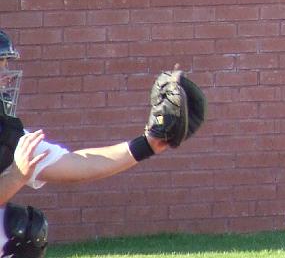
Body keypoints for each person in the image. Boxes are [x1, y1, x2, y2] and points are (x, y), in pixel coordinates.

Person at [0, 29, 182, 254]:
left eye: (6, 64)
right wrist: (16, 176)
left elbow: (80, 162)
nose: (7, 76)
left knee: (26, 229)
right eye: (0, 66)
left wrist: (147, 144)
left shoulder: (7, 134)